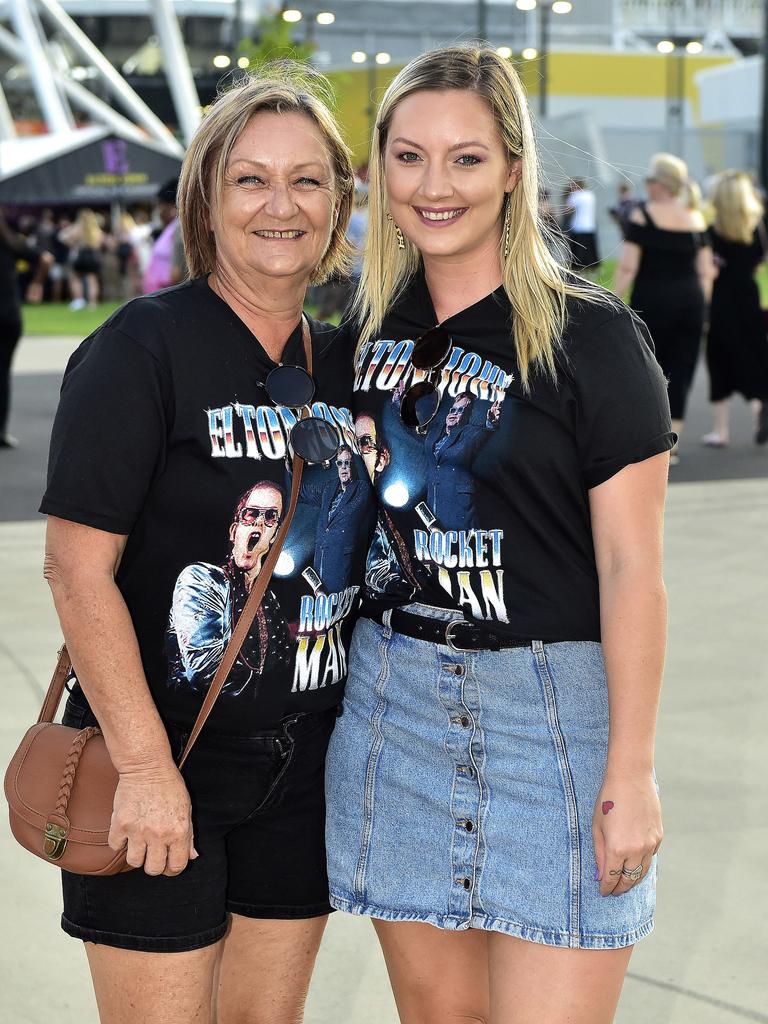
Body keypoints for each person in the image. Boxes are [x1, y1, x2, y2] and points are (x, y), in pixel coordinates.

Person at [326, 46, 674, 1024]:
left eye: (467, 159)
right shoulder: (354, 336)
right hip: (396, 713)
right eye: (409, 156)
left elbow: (632, 566)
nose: (435, 186)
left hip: (552, 725)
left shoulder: (591, 337)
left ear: (516, 168)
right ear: (380, 169)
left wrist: (633, 768)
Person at [39, 66, 373, 1024]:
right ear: (207, 200)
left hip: (308, 761)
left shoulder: (342, 359)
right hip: (166, 751)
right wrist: (144, 770)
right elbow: (76, 565)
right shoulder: (140, 348)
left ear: (339, 203)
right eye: (251, 180)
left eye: (308, 180)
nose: (282, 205)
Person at [614, 153, 715, 463]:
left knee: (648, 370)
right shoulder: (695, 218)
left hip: (653, 302)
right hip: (690, 304)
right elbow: (706, 272)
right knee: (681, 371)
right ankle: (672, 445)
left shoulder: (643, 216)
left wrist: (612, 299)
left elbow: (628, 267)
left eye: (651, 181)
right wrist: (705, 310)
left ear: (660, 184)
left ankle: (650, 441)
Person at [702, 171, 768, 447]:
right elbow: (761, 262)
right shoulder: (757, 228)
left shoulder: (711, 232)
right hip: (749, 296)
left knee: (718, 358)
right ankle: (759, 409)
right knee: (751, 353)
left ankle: (721, 430)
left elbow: (710, 272)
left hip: (721, 301)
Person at [289, 442, 375, 594]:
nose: (343, 467)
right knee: (320, 601)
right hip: (321, 555)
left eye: (347, 463)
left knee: (337, 603)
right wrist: (290, 467)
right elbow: (299, 492)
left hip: (341, 557)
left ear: (353, 466)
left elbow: (348, 514)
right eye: (340, 463)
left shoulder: (362, 488)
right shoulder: (329, 488)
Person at [0, 211, 53, 448]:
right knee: (2, 373)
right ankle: (0, 431)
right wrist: (37, 284)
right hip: (9, 315)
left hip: (7, 316)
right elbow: (45, 258)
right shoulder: (9, 239)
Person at [59, 208, 104, 309]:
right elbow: (100, 242)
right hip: (93, 256)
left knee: (75, 278)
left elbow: (62, 237)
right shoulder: (95, 229)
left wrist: (72, 244)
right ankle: (92, 303)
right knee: (92, 280)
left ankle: (78, 300)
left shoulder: (78, 228)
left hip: (81, 255)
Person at [142, 178, 181, 293]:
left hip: (170, 293)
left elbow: (178, 270)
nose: (158, 211)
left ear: (172, 207)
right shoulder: (168, 229)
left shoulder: (179, 228)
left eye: (161, 205)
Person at [563, 178, 600, 271]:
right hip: (590, 226)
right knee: (590, 249)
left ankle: (578, 267)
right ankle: (593, 267)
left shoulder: (575, 195)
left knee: (578, 251)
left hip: (578, 227)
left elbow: (567, 211)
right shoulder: (590, 194)